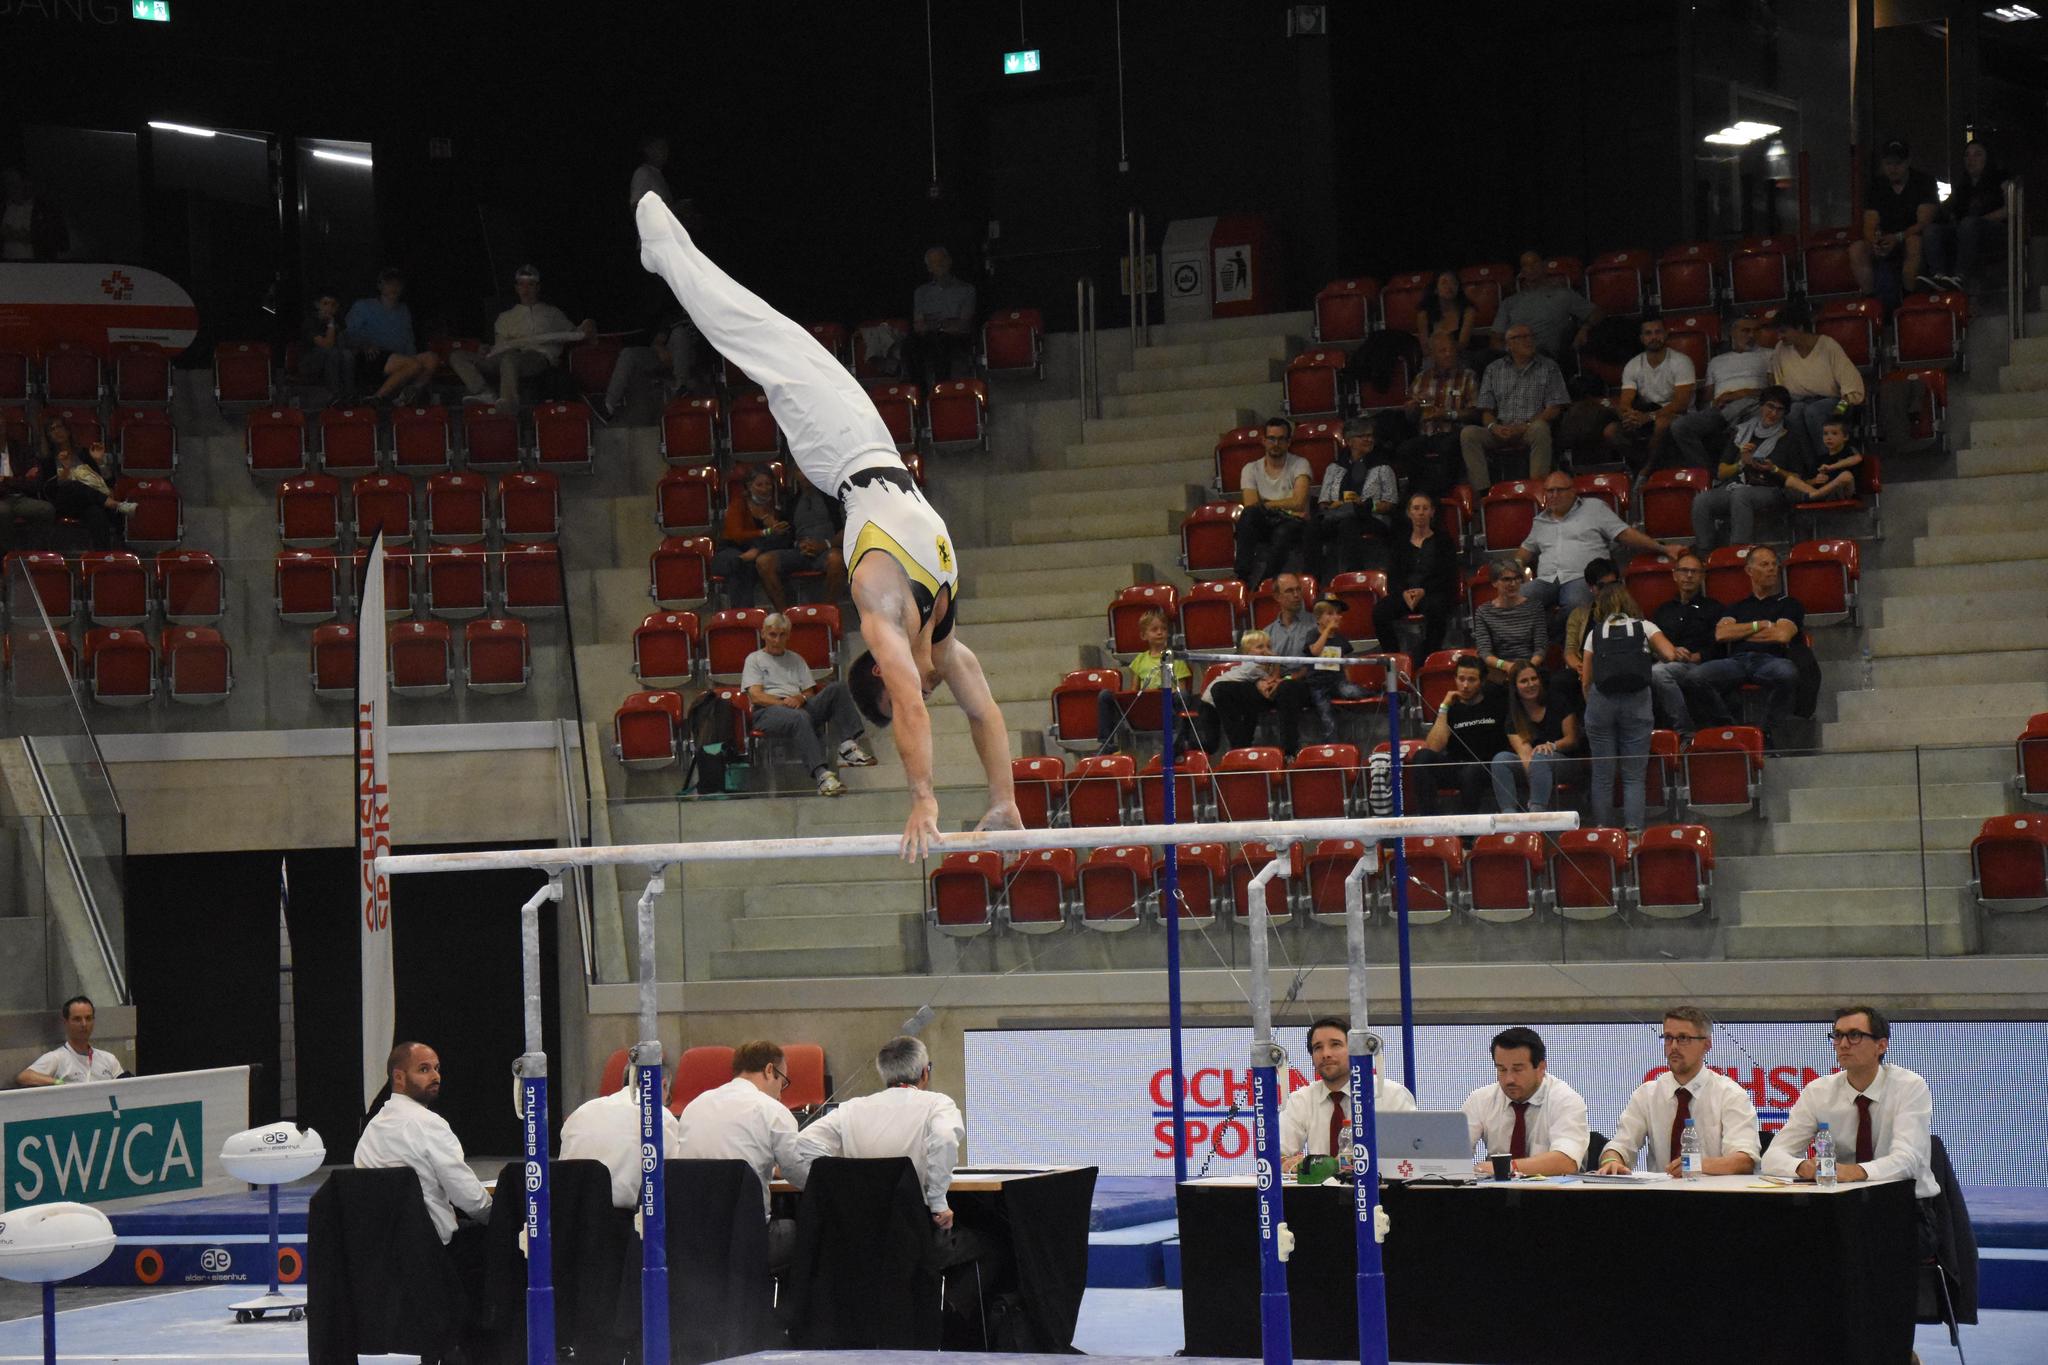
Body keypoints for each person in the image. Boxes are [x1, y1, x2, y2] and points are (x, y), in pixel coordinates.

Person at [637, 193, 1019, 859]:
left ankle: (669, 256)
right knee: (760, 333)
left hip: (843, 453)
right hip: (865, 445)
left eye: (904, 685)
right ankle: (667, 254)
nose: (919, 684)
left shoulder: (893, 612)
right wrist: (964, 798)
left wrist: (964, 798)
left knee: (758, 335)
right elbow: (952, 712)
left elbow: (948, 712)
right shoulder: (927, 638)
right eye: (905, 687)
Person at [793, 1036, 978, 1265]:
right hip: (915, 1232)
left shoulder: (850, 1109)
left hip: (857, 1234)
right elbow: (944, 1138)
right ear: (924, 1072)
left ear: (884, 1074)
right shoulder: (937, 1104)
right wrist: (938, 1201)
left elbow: (801, 1144)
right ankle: (937, 1300)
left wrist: (839, 1181)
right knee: (991, 1245)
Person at [1762, 1005, 1938, 1200]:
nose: (1843, 1044)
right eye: (1837, 1036)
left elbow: (1907, 1161)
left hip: (1905, 1205)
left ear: (1881, 1046)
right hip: (1839, 1205)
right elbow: (1771, 1158)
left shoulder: (1909, 1086)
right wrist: (1802, 1166)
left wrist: (1854, 1171)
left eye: (1854, 1035)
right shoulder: (1819, 1091)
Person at [676, 1040, 813, 1266]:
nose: (781, 1094)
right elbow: (800, 1174)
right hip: (749, 1239)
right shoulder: (773, 1111)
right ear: (770, 1070)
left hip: (694, 1238)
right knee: (800, 1230)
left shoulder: (695, 1106)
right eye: (783, 1082)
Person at [353, 1042, 492, 1247]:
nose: (435, 1076)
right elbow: (469, 1198)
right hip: (432, 1250)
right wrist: (504, 1219)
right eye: (424, 1069)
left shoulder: (371, 1131)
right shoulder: (429, 1124)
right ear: (399, 1077)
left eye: (437, 1069)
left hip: (380, 1249)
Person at [1596, 1007, 1760, 1176]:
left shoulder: (1730, 1094)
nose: (1673, 1047)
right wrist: (1612, 1161)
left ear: (1707, 1044)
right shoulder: (1647, 1094)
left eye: (1683, 1038)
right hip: (1660, 1196)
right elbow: (1621, 1145)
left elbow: (1744, 1160)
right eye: (1668, 1038)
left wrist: (1696, 1165)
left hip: (1716, 1197)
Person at [1579, 581, 1681, 835]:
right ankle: (1633, 831)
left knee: (1603, 774)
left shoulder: (1596, 633)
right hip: (1637, 700)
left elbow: (1586, 679)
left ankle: (1602, 831)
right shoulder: (1644, 627)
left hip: (1601, 701)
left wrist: (1592, 703)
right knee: (1634, 774)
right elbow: (1669, 654)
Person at [743, 612, 876, 797]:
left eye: (782, 635)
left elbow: (809, 692)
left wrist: (801, 699)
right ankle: (822, 775)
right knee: (800, 717)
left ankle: (848, 745)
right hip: (767, 712)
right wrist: (784, 703)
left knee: (837, 689)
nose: (777, 640)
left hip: (798, 706)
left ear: (788, 635)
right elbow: (756, 696)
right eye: (772, 635)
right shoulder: (754, 659)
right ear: (763, 634)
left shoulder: (796, 659)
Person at [1686, 543, 1803, 749]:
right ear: (1749, 571)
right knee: (1695, 678)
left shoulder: (1789, 604)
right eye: (1765, 564)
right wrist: (1761, 625)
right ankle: (1729, 727)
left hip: (1771, 660)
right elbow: (1721, 634)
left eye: (1774, 565)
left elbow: (1783, 635)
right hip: (1736, 661)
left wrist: (1742, 633)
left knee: (1788, 673)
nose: (1771, 569)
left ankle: (1766, 732)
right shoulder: (1737, 606)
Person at [1517, 471, 1680, 616]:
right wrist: (1516, 565)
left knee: (1575, 605)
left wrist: (1662, 548)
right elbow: (1526, 549)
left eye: (1559, 490)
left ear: (1573, 491)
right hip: (1547, 579)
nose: (1554, 495)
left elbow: (1624, 534)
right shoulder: (1540, 521)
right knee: (1515, 600)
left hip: (1582, 577)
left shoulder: (1594, 508)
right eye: (1550, 491)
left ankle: (1566, 646)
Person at [447, 264, 595, 414]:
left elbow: (576, 332)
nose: (526, 289)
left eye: (530, 285)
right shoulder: (505, 317)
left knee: (510, 358)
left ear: (537, 287)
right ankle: (484, 392)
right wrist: (486, 349)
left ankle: (509, 402)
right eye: (522, 285)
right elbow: (500, 347)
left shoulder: (553, 314)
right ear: (517, 288)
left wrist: (587, 323)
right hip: (505, 356)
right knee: (457, 356)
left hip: (537, 357)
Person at [1279, 1016, 1417, 1174]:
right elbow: (1277, 1154)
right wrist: (1288, 1164)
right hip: (1319, 1195)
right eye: (1318, 1047)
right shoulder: (1301, 1099)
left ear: (1354, 1050)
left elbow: (1415, 1150)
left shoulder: (1390, 1094)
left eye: (1335, 1044)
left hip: (1381, 1190)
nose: (1326, 1054)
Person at [1689, 386, 1820, 552]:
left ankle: (1739, 551)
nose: (1773, 413)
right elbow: (1721, 472)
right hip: (1738, 484)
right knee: (1702, 500)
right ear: (1761, 406)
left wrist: (1774, 469)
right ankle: (1705, 552)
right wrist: (1742, 464)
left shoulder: (1789, 437)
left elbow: (1796, 477)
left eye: (1779, 410)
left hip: (1772, 489)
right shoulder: (1741, 432)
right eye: (1770, 407)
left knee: (1740, 496)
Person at [1461, 1026, 1589, 1177]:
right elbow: (1452, 1155)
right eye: (1502, 1069)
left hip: (1554, 1196)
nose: (1509, 1079)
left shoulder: (1565, 1100)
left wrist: (1505, 1167)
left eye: (1518, 1069)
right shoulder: (1480, 1099)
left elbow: (1566, 1162)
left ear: (1541, 1068)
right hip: (1494, 1195)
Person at [1461, 324, 1569, 493]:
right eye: (1520, 337)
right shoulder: (1493, 369)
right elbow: (1486, 410)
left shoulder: (1548, 367)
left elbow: (1555, 407)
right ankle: (1484, 493)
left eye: (1530, 336)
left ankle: (1538, 489)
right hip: (1502, 429)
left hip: (1530, 428)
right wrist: (1493, 427)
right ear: (1508, 344)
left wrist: (1525, 426)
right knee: (1469, 434)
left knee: (1540, 428)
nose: (1528, 341)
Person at [559, 1069, 686, 1210]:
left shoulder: (581, 1112)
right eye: (668, 1098)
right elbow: (674, 1180)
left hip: (570, 1216)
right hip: (628, 1223)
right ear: (663, 1085)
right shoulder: (661, 1116)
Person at [1668, 315, 1770, 471]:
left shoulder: (1769, 355)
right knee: (1680, 426)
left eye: (1755, 331)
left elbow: (1775, 391)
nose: (1751, 335)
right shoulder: (1716, 361)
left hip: (1754, 404)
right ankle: (1706, 474)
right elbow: (1707, 399)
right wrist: (1715, 402)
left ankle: (1735, 467)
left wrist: (1741, 393)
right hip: (1721, 410)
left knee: (1746, 414)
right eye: (1746, 331)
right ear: (1732, 333)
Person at [1768, 301, 1864, 466]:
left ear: (1799, 327)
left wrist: (1838, 413)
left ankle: (1829, 460)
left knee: (1813, 411)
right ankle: (1811, 466)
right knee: (1793, 413)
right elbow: (1777, 384)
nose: (1780, 337)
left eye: (1783, 332)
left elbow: (1851, 390)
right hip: (1798, 402)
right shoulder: (1780, 349)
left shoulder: (1827, 346)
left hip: (1833, 402)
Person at [1416, 656, 1510, 815]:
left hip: (1488, 768)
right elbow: (1433, 747)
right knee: (1422, 756)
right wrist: (1444, 707)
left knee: (1471, 771)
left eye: (1472, 680)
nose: (1465, 685)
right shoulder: (1451, 708)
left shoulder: (1496, 704)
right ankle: (1428, 821)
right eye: (1461, 679)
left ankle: (1466, 835)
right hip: (1457, 766)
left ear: (1482, 681)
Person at [1851, 140, 1941, 306]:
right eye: (1888, 163)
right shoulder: (1877, 185)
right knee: (1857, 249)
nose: (1893, 168)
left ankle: (1909, 299)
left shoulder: (1924, 183)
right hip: (1886, 239)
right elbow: (1870, 221)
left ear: (1908, 162)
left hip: (1911, 237)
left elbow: (1924, 222)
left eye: (1898, 163)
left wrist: (1897, 237)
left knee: (1914, 243)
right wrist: (1875, 242)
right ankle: (1873, 303)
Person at [1648, 552, 1728, 740]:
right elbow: (1651, 643)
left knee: (1658, 673)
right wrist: (1669, 652)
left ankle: (1685, 732)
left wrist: (1695, 656)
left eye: (1695, 571)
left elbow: (1720, 646)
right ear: (1675, 575)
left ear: (1702, 577)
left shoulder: (1714, 608)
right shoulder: (1663, 610)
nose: (1689, 575)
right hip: (1667, 661)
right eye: (1684, 570)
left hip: (1699, 664)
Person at [1095, 609, 1195, 755]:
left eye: (1164, 629)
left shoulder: (1175, 658)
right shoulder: (1139, 660)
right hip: (1144, 707)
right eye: (1154, 629)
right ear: (1143, 635)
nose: (1160, 632)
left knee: (1183, 696)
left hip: (1166, 706)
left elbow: (1181, 690)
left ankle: (1180, 740)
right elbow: (1134, 691)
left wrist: (1163, 692)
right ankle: (1106, 743)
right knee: (1105, 695)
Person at [1309, 417, 1398, 580]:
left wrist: (1366, 506)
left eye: (1370, 435)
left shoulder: (1383, 467)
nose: (1369, 439)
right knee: (1312, 526)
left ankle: (1352, 576)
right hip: (1338, 514)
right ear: (1349, 441)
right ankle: (1313, 578)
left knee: (1348, 524)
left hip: (1372, 517)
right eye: (1363, 436)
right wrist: (1334, 506)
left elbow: (1390, 503)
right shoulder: (1334, 467)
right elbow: (1323, 501)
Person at [1371, 492, 1458, 656]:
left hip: (1432, 592)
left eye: (1425, 508)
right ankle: (1394, 657)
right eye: (1416, 508)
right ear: (1409, 512)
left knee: (1437, 609)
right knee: (1380, 612)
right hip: (1405, 593)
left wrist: (1424, 591)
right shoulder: (1400, 542)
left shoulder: (1443, 541)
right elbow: (1394, 574)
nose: (1420, 512)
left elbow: (1447, 574)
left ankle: (1428, 656)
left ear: (1432, 512)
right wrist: (1404, 593)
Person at [343, 269, 443, 406]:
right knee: (412, 364)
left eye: (397, 284)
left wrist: (413, 364)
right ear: (380, 285)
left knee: (431, 358)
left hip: (400, 359)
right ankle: (376, 398)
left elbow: (409, 341)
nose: (394, 287)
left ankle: (407, 395)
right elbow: (350, 334)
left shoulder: (403, 310)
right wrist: (364, 345)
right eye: (389, 283)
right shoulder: (363, 306)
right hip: (372, 357)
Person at [1234, 417, 1313, 586]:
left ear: (1289, 442)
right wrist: (1283, 504)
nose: (1276, 443)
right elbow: (1251, 506)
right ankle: (1242, 575)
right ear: (1263, 441)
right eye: (1271, 438)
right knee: (1248, 515)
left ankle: (1267, 580)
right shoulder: (1250, 469)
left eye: (1281, 439)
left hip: (1291, 521)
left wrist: (1267, 504)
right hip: (1267, 520)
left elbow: (1299, 502)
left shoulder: (1300, 464)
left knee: (1283, 531)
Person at [1493, 661, 1579, 813]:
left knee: (1541, 755)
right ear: (1515, 687)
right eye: (1524, 681)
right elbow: (1525, 755)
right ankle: (1508, 816)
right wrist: (1538, 779)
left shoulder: (1558, 701)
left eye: (1534, 679)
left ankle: (1536, 812)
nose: (1530, 684)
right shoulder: (1513, 716)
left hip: (1564, 761)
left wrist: (1552, 746)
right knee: (1501, 759)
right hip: (1534, 764)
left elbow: (1572, 739)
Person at [1399, 332, 1478, 497]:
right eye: (1442, 351)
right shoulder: (1422, 379)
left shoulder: (1467, 377)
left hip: (1454, 434)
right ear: (1433, 354)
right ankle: (1414, 496)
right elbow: (1411, 418)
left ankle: (1437, 496)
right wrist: (1413, 408)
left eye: (1451, 350)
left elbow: (1474, 413)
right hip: (1427, 435)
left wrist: (1447, 414)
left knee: (1446, 448)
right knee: (1406, 449)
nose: (1448, 354)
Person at [1613, 316, 1696, 470]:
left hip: (1679, 415)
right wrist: (1629, 416)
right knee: (1610, 431)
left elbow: (1681, 404)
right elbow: (1625, 401)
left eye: (1658, 332)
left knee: (1661, 423)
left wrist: (1648, 417)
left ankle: (1647, 470)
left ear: (1665, 334)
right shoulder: (1633, 364)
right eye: (1648, 333)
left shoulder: (1681, 361)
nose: (1654, 337)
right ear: (1642, 338)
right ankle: (1645, 464)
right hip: (1647, 413)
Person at [1925, 139, 2008, 291]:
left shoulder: (2000, 178)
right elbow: (1947, 211)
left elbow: (2010, 208)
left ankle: (1961, 275)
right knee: (1932, 230)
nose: (1971, 160)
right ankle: (1938, 276)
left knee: (1969, 224)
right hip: (1965, 230)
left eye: (1977, 155)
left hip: (1995, 232)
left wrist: (1979, 221)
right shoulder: (1962, 187)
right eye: (1967, 156)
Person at [40, 414, 132, 549]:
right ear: (48, 436)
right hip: (64, 502)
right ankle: (112, 504)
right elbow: (49, 489)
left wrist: (100, 462)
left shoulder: (83, 454)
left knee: (96, 513)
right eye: (52, 429)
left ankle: (103, 557)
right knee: (74, 485)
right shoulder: (48, 460)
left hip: (87, 502)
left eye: (59, 427)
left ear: (67, 430)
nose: (57, 431)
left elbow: (108, 482)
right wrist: (64, 472)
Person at [596, 303, 697, 423]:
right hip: (667, 356)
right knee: (628, 354)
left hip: (691, 357)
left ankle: (681, 388)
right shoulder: (674, 316)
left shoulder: (704, 316)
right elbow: (658, 340)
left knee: (679, 333)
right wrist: (660, 349)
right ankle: (608, 406)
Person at [1493, 248, 1598, 364]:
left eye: (1535, 263)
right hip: (1512, 355)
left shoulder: (1563, 295)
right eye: (1526, 265)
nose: (1531, 268)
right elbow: (1496, 337)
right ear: (1522, 271)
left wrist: (1585, 328)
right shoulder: (1509, 302)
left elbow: (1596, 313)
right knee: (1480, 359)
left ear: (1544, 265)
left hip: (1544, 353)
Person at [712, 468, 792, 610]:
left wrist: (759, 547)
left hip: (760, 551)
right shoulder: (738, 505)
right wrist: (766, 531)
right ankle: (743, 615)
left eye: (768, 484)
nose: (764, 489)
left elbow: (784, 537)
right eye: (759, 485)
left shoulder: (778, 507)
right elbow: (736, 535)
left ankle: (747, 614)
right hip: (733, 548)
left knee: (752, 564)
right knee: (739, 564)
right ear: (749, 486)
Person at [767, 465, 847, 603]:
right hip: (800, 552)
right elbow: (787, 535)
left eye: (808, 470)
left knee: (836, 560)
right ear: (795, 475)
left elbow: (848, 530)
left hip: (829, 549)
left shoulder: (833, 499)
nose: (804, 475)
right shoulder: (791, 502)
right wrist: (799, 544)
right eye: (800, 471)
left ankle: (827, 611)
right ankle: (785, 616)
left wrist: (824, 545)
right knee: (765, 562)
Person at [1198, 629, 1279, 756]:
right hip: (1210, 704)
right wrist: (1276, 661)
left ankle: (1242, 751)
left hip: (1218, 702)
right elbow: (1273, 680)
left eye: (1268, 646)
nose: (1266, 650)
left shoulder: (1254, 667)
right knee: (1211, 744)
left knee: (1213, 744)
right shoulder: (1252, 668)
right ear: (1247, 653)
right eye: (1260, 647)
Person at [1298, 594, 1368, 742]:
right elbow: (1315, 651)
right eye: (1330, 614)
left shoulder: (1341, 639)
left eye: (1338, 614)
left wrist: (1348, 680)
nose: (1335, 617)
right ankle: (1333, 745)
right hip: (1318, 684)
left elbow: (1344, 663)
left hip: (1337, 681)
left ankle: (1382, 694)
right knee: (1326, 716)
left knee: (1351, 691)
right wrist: (1326, 630)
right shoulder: (1313, 634)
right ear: (1318, 619)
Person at [906, 246, 977, 387]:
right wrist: (942, 324)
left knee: (941, 343)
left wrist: (936, 324)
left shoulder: (967, 290)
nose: (940, 266)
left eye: (942, 261)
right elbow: (919, 324)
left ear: (949, 261)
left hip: (955, 337)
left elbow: (963, 324)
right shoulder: (921, 292)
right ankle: (919, 391)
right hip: (929, 336)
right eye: (934, 263)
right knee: (910, 345)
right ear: (929, 268)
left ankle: (942, 389)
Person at [14, 996, 124, 1086]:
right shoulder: (57, 1057)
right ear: (65, 1022)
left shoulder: (109, 1059)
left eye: (88, 1018)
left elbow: (126, 1087)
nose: (84, 1024)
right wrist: (58, 1083)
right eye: (77, 1019)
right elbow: (24, 1077)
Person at [1471, 557, 1547, 684]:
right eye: (1506, 579)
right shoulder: (1483, 612)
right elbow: (1485, 652)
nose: (1513, 584)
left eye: (1516, 578)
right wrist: (1507, 666)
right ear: (1494, 582)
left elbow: (1541, 647)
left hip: (1531, 667)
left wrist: (1526, 669)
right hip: (1500, 671)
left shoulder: (1535, 607)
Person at [0, 426, 56, 553]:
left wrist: (6, 480)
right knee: (2, 512)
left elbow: (35, 482)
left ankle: (35, 554)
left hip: (20, 497)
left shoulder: (21, 448)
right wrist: (21, 479)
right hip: (1, 500)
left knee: (45, 509)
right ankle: (7, 556)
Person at [0, 168, 67, 261]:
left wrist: (31, 236)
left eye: (15, 183)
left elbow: (61, 241)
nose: (11, 188)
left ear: (26, 183)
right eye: (7, 183)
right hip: (6, 268)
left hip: (37, 269)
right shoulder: (3, 208)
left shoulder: (46, 210)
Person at [298, 288, 352, 400]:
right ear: (317, 305)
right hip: (310, 364)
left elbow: (344, 344)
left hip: (333, 360)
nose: (329, 308)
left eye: (333, 305)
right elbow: (327, 345)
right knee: (332, 353)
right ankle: (335, 396)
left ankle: (349, 394)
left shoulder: (339, 321)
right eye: (325, 303)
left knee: (347, 355)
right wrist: (331, 325)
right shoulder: (310, 322)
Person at [1803, 414, 1866, 503]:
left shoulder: (1849, 451)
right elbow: (1807, 482)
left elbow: (1858, 458)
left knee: (1846, 475)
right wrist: (1815, 480)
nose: (1829, 437)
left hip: (1845, 493)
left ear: (1845, 437)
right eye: (1825, 434)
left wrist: (1831, 467)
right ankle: (1815, 495)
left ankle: (1814, 495)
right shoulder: (1821, 459)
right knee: (1792, 481)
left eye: (1834, 433)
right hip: (1825, 494)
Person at [1416, 269, 1475, 355]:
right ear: (1435, 288)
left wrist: (1447, 354)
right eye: (1444, 283)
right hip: (1432, 358)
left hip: (1459, 357)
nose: (1449, 286)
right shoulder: (1423, 314)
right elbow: (1425, 348)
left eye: (1454, 282)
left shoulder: (1468, 311)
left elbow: (1463, 344)